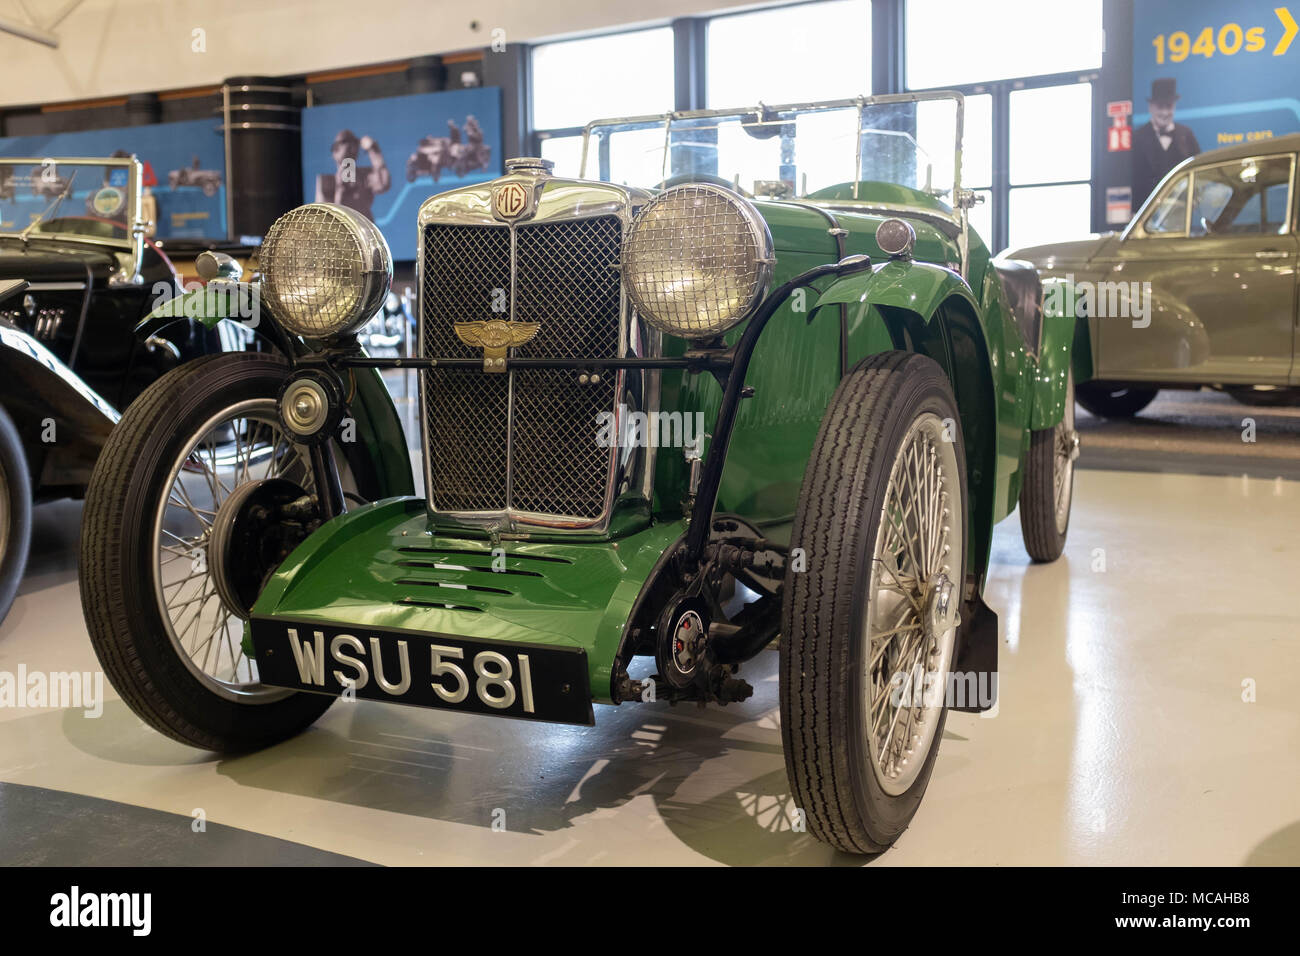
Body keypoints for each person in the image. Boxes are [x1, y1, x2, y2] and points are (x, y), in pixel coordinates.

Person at [1132, 78, 1200, 206]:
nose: (1164, 112)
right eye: (1160, 107)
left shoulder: (1186, 134)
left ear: (1174, 107)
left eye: (1168, 106)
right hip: (1148, 211)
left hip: (1182, 208)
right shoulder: (1137, 138)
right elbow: (1135, 179)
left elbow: (1197, 171)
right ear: (1151, 107)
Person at [315, 129, 390, 220]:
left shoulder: (364, 176)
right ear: (335, 151)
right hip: (342, 231)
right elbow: (324, 219)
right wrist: (341, 189)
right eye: (345, 143)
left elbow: (383, 184)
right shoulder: (327, 182)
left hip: (363, 230)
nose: (351, 148)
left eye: (354, 144)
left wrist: (373, 150)